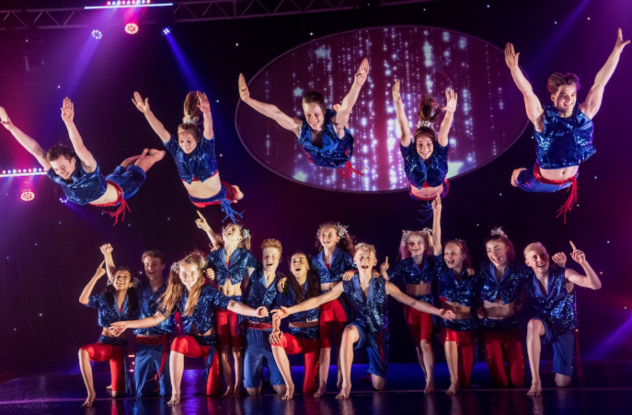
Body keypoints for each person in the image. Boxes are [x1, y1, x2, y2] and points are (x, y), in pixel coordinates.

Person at [273, 243, 455, 399]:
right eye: (361, 257)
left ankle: (373, 373)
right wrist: (289, 310)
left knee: (379, 386)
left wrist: (439, 312)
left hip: (378, 332)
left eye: (368, 257)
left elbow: (413, 302)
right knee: (347, 332)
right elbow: (318, 300)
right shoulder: (347, 283)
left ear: (374, 262)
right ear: (355, 261)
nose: (364, 260)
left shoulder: (384, 285)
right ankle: (346, 384)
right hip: (359, 326)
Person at [109, 252, 267, 405]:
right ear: (179, 274)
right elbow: (156, 318)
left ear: (199, 273)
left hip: (210, 345)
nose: (188, 277)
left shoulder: (208, 291)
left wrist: (254, 312)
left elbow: (231, 304)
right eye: (184, 273)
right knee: (178, 342)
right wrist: (127, 324)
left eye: (192, 273)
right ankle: (176, 392)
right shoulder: (177, 295)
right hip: (192, 343)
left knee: (212, 392)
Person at [506, 29, 629, 221]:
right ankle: (515, 175)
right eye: (563, 95)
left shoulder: (584, 114)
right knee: (516, 178)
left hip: (569, 181)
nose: (569, 100)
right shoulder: (542, 118)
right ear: (553, 97)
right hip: (539, 181)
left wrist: (617, 52)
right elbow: (527, 93)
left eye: (572, 95)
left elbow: (600, 83)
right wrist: (514, 69)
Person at [0, 99, 164, 224]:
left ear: (73, 161)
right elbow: (36, 150)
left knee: (139, 165)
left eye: (63, 167)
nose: (60, 172)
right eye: (56, 169)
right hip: (106, 183)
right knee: (126, 162)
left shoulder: (88, 166)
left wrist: (69, 123)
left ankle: (157, 154)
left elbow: (79, 147)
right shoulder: (57, 175)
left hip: (121, 189)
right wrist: (12, 128)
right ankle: (142, 154)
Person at [238, 58, 370, 177]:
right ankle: (337, 111)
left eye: (316, 114)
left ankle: (338, 113)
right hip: (317, 159)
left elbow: (347, 107)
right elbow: (276, 114)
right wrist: (248, 100)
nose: (312, 119)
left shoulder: (335, 125)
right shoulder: (300, 128)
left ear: (324, 111)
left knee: (342, 117)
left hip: (341, 151)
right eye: (308, 115)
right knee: (332, 119)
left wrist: (357, 84)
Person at [132, 91, 244, 222]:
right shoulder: (176, 150)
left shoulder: (206, 148)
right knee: (226, 197)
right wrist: (147, 113)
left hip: (218, 194)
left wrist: (207, 112)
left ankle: (236, 191)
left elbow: (208, 129)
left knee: (238, 195)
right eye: (181, 141)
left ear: (197, 139)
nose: (185, 145)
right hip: (196, 200)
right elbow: (161, 131)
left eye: (189, 141)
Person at [523, 241, 602, 396]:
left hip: (564, 328)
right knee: (532, 324)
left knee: (563, 384)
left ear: (548, 257)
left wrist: (584, 263)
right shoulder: (528, 280)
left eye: (542, 255)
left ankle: (553, 368)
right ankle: (536, 381)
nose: (539, 259)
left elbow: (595, 285)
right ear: (528, 263)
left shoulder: (564, 273)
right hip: (544, 325)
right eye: (534, 257)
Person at [196, 211, 257, 396]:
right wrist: (209, 275)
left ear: (240, 238)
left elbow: (252, 282)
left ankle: (238, 386)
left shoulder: (246, 255)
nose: (229, 230)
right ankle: (229, 386)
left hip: (237, 304)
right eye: (227, 229)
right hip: (220, 305)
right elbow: (206, 275)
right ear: (222, 235)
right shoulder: (214, 256)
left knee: (237, 349)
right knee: (224, 349)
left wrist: (251, 307)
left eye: (233, 229)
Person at [78, 246, 139, 407]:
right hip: (104, 344)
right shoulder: (104, 298)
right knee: (83, 351)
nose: (120, 279)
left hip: (120, 349)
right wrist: (96, 276)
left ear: (130, 284)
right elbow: (83, 300)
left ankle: (114, 384)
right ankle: (91, 393)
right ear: (112, 280)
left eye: (125, 277)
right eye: (118, 276)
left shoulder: (134, 302)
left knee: (118, 396)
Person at [380, 228, 437, 393]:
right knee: (418, 344)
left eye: (419, 242)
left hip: (426, 305)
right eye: (412, 243)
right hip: (410, 307)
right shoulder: (404, 264)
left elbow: (447, 264)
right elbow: (387, 279)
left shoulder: (432, 262)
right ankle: (426, 376)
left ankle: (430, 380)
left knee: (426, 342)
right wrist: (383, 271)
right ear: (407, 246)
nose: (415, 246)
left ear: (425, 245)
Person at [431, 195, 478, 394]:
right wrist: (437, 212)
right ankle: (453, 380)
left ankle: (460, 380)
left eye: (453, 254)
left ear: (463, 256)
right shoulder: (442, 271)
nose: (448, 257)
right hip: (448, 325)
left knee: (467, 381)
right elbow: (436, 242)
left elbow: (482, 298)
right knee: (450, 336)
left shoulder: (473, 275)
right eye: (446, 254)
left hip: (467, 326)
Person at [475, 228, 528, 388]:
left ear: (507, 248)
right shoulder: (482, 269)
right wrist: (478, 307)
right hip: (489, 329)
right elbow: (471, 290)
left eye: (497, 248)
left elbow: (534, 280)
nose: (493, 254)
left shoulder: (519, 269)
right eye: (489, 250)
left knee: (518, 381)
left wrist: (522, 299)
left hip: (510, 327)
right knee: (501, 383)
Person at [393, 80, 457, 201]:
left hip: (438, 196)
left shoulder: (440, 153)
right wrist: (398, 103)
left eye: (428, 144)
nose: (424, 148)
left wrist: (450, 113)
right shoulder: (409, 155)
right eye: (420, 144)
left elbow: (443, 133)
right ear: (414, 145)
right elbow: (405, 131)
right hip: (415, 200)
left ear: (434, 144)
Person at [269, 252, 321, 400]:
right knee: (275, 339)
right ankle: (289, 385)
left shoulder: (316, 282)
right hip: (295, 338)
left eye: (301, 261)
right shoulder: (286, 285)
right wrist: (276, 329)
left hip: (313, 339)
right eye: (294, 261)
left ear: (308, 266)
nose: (297, 263)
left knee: (308, 390)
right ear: (290, 267)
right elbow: (278, 311)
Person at [240, 239, 287, 396]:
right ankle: (259, 380)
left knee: (282, 390)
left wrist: (276, 329)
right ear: (262, 257)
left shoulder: (283, 281)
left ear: (279, 259)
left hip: (270, 332)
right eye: (266, 256)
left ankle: (272, 379)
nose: (269, 259)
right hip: (252, 333)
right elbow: (243, 254)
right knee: (252, 391)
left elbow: (282, 307)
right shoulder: (252, 274)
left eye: (273, 256)